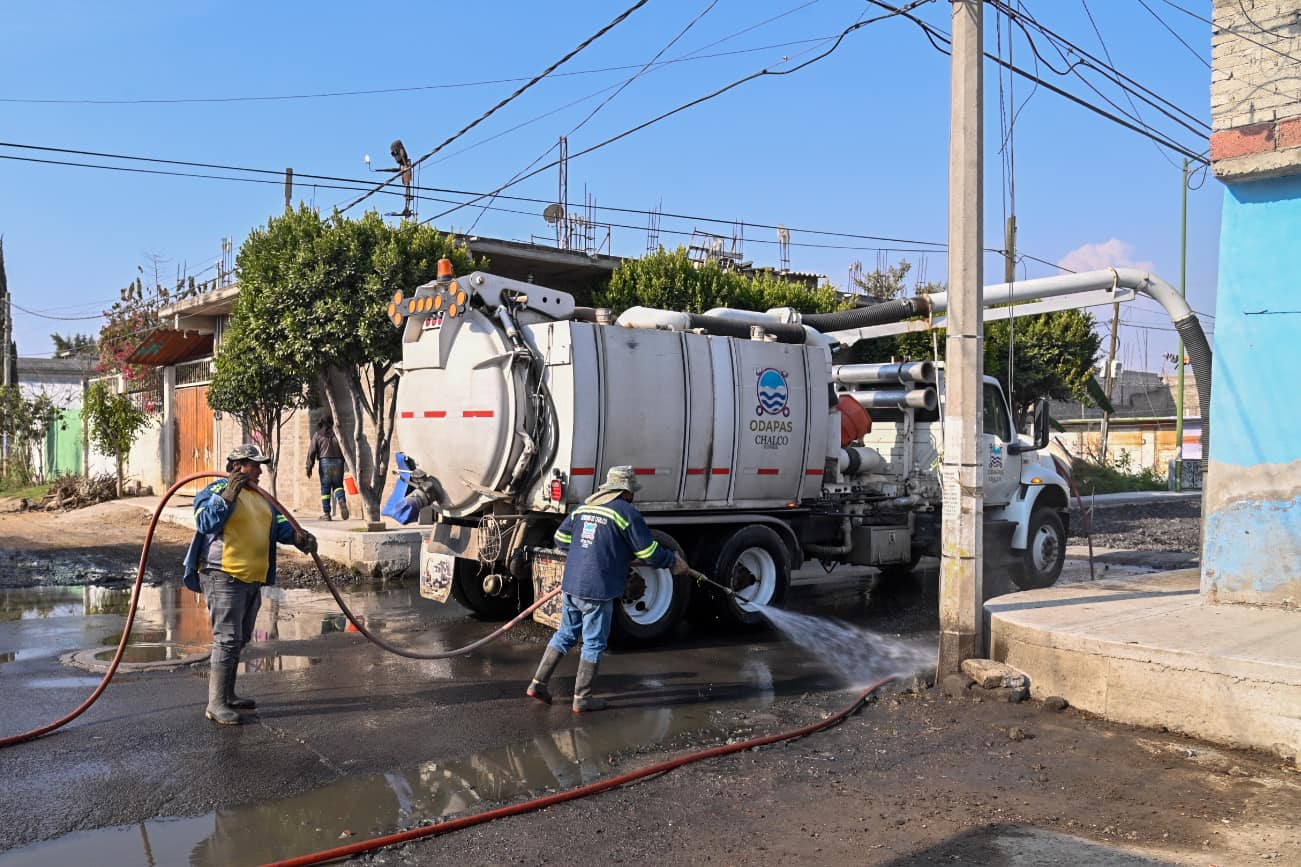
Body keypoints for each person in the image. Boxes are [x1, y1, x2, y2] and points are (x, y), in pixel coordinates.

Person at [526, 466, 692, 713]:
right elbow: (648, 552)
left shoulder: (584, 508)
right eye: (632, 492)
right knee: (593, 642)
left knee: (565, 634)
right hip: (598, 588)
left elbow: (561, 538)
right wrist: (672, 561)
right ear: (626, 492)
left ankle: (538, 683)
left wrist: (584, 555)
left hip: (572, 584)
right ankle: (582, 698)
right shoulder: (626, 513)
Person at [182, 444, 317, 725]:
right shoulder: (216, 491)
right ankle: (215, 703)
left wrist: (299, 538)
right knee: (228, 639)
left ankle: (228, 695)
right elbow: (204, 522)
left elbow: (280, 528)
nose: (259, 471)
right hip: (223, 574)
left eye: (260, 466)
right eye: (253, 465)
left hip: (251, 578)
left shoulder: (261, 498)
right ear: (236, 466)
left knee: (240, 638)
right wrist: (228, 496)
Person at [305, 415, 349, 521]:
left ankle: (327, 513)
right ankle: (342, 501)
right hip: (338, 463)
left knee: (325, 488)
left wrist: (309, 467)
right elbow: (345, 448)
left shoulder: (317, 435)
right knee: (338, 485)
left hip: (325, 463)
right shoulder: (337, 434)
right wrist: (346, 463)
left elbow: (312, 451)